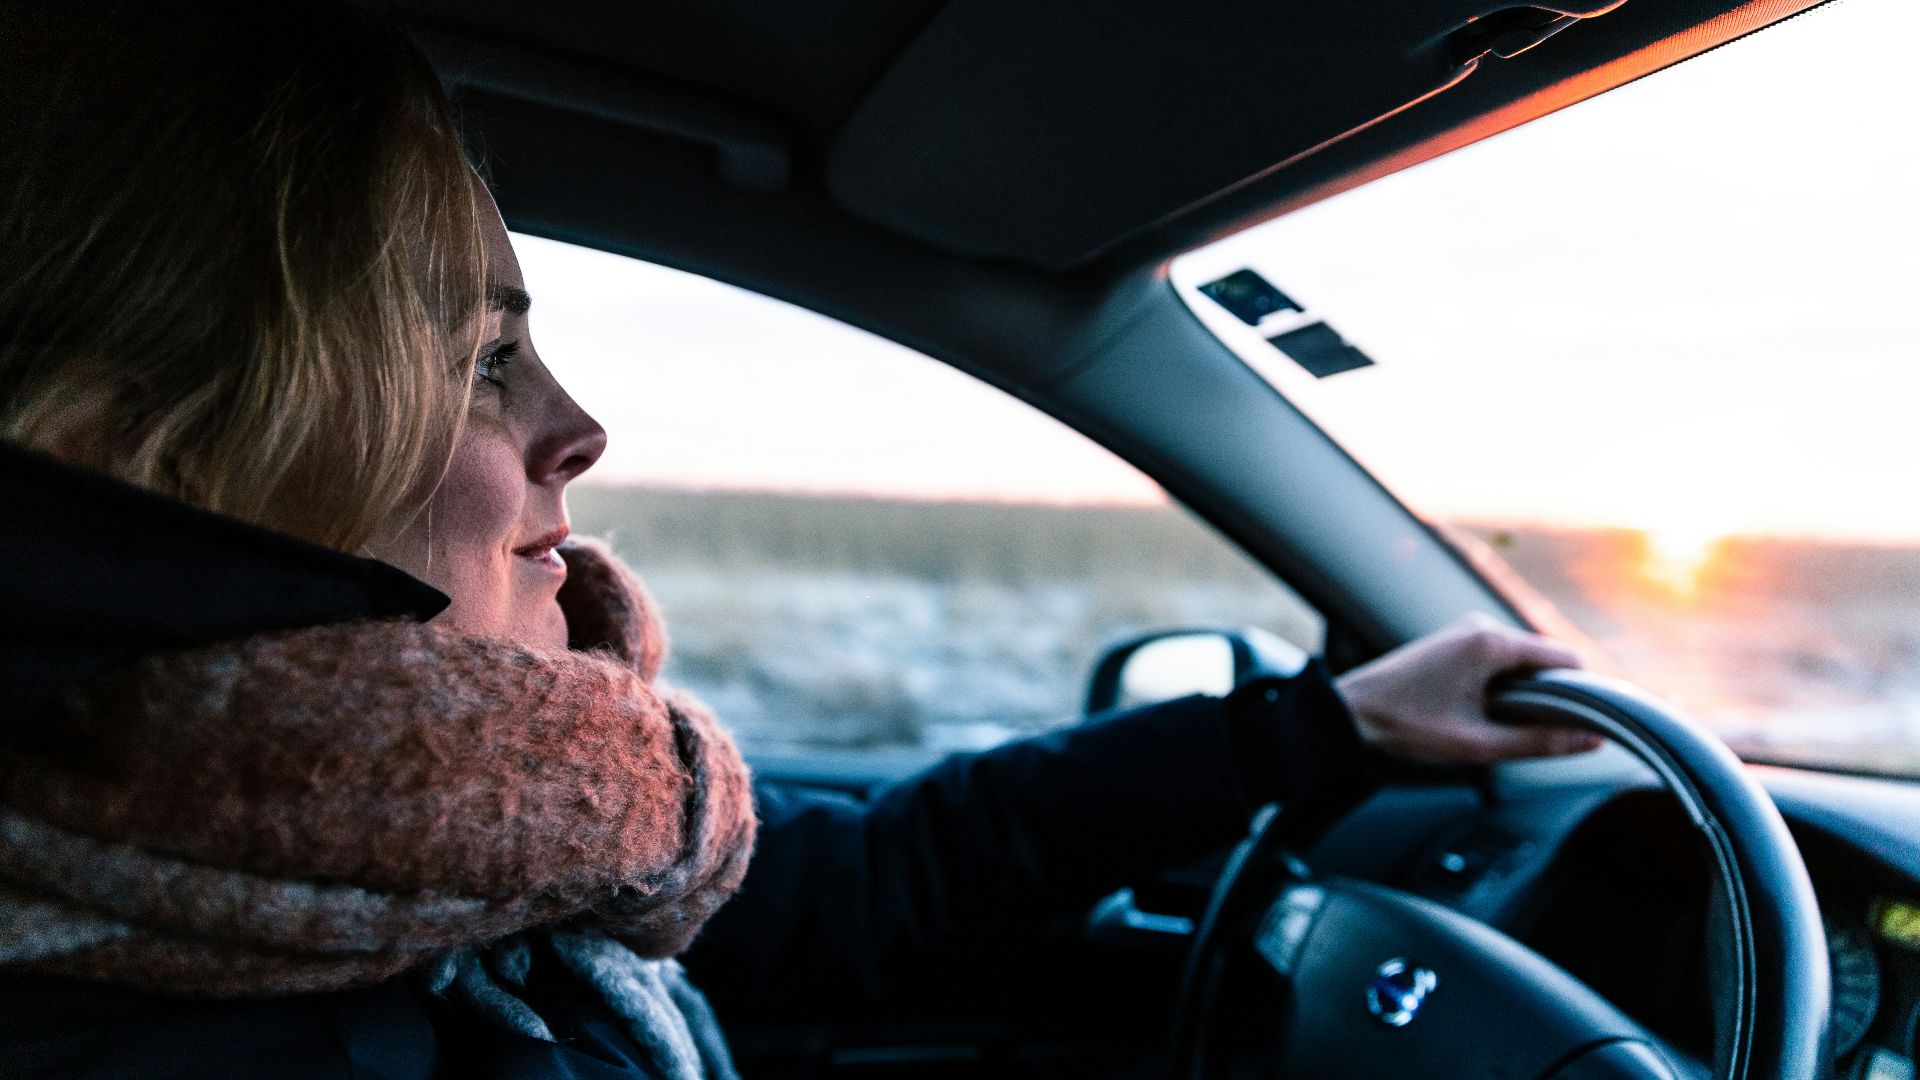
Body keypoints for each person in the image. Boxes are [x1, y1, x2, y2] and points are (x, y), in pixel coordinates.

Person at [0, 4, 1600, 1078]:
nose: (580, 428)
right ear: (137, 465)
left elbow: (881, 879)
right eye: (482, 361)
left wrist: (1326, 725)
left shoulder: (473, 841)